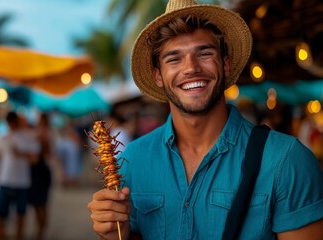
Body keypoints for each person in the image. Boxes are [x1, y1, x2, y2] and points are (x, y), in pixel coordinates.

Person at [87, 0, 323, 239]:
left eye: (204, 53)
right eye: (174, 59)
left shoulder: (287, 161)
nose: (191, 68)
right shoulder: (132, 162)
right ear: (158, 76)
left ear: (226, 65)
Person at [0, 111, 39, 240]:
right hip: (5, 180)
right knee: (0, 213)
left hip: (21, 181)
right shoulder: (4, 138)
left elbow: (35, 159)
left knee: (20, 214)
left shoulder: (28, 137)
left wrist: (20, 153)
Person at [28, 113, 53, 240]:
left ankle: (41, 231)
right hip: (40, 171)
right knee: (40, 204)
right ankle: (41, 230)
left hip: (39, 172)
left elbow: (43, 155)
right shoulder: (44, 133)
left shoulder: (43, 134)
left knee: (40, 204)